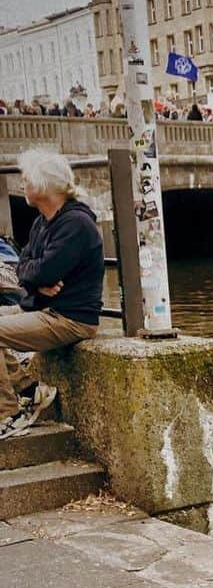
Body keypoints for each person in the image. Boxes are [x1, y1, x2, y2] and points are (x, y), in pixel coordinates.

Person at [0, 150, 103, 440]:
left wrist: (37, 276)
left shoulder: (76, 225)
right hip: (44, 309)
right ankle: (29, 390)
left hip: (69, 319)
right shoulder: (42, 223)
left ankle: (9, 413)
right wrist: (37, 281)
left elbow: (41, 270)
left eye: (26, 179)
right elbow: (23, 267)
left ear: (43, 186)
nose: (22, 184)